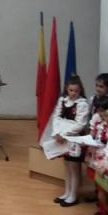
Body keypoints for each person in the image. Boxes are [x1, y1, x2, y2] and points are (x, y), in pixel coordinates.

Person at [42, 75, 90, 205]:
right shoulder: (62, 101)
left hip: (74, 139)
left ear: (80, 90)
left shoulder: (82, 104)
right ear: (66, 89)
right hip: (62, 138)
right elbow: (56, 117)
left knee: (74, 167)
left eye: (76, 91)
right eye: (71, 90)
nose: (73, 93)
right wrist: (57, 132)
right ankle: (67, 192)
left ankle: (74, 195)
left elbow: (80, 124)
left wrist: (64, 134)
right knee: (67, 165)